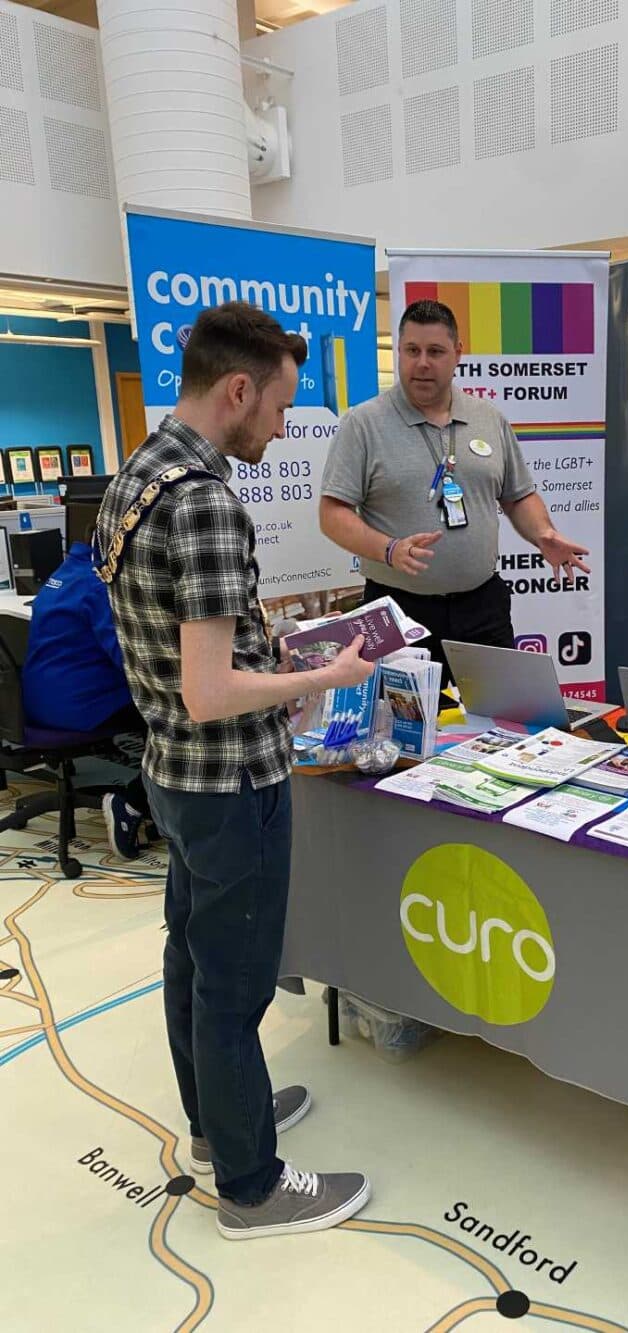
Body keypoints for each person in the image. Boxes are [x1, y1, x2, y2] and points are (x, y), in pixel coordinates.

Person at [96, 301, 374, 1240]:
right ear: (239, 388)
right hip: (230, 781)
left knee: (192, 953)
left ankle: (220, 1124)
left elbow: (183, 657)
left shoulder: (137, 477)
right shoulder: (207, 501)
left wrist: (272, 651)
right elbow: (212, 693)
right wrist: (323, 675)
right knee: (235, 985)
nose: (285, 428)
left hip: (171, 773)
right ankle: (252, 1185)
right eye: (281, 407)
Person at [319, 299, 590, 678]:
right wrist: (390, 549)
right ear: (399, 350)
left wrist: (543, 533)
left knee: (502, 723)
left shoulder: (488, 418)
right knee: (405, 729)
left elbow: (518, 494)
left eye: (435, 351)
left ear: (458, 353)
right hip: (398, 610)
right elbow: (332, 514)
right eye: (412, 350)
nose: (422, 363)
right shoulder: (363, 425)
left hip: (482, 607)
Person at [21, 534, 153, 859]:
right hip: (78, 708)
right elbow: (129, 660)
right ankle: (133, 803)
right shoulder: (98, 585)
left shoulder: (66, 573)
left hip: (39, 703)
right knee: (178, 714)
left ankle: (156, 802)